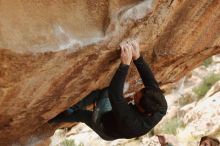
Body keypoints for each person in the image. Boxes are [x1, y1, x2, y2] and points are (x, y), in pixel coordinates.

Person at [49, 40, 168, 140]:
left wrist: (125, 64)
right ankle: (70, 110)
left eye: (137, 96)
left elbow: (114, 92)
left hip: (104, 127)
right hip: (118, 124)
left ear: (141, 109)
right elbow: (149, 80)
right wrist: (137, 57)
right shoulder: (160, 105)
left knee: (85, 112)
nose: (136, 92)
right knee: (85, 112)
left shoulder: (129, 120)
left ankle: (54, 118)